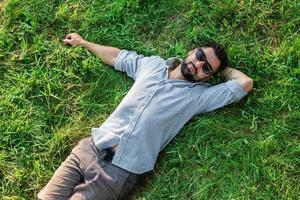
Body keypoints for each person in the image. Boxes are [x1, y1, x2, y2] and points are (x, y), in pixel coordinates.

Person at [38, 33, 253, 200]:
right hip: (91, 147)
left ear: (208, 77)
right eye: (199, 56)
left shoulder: (198, 97)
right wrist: (84, 43)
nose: (197, 65)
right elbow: (116, 57)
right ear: (191, 51)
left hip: (118, 172)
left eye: (206, 68)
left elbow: (245, 83)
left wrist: (221, 70)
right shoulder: (153, 65)